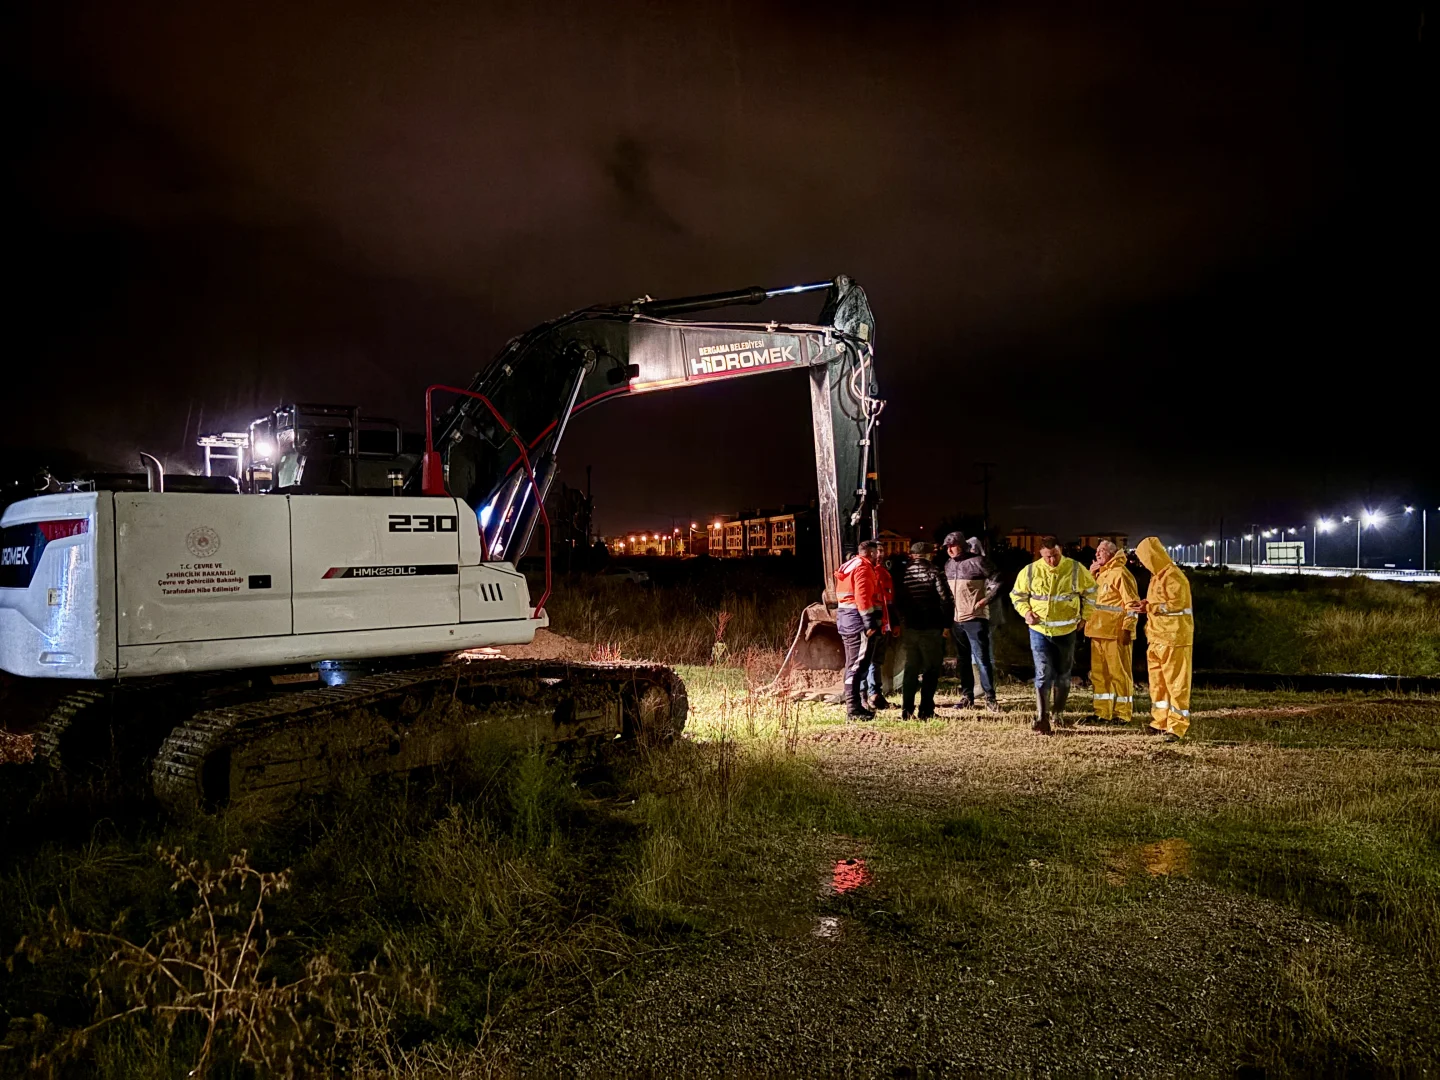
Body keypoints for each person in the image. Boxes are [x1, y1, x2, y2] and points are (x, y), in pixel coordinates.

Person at [1010, 536, 1098, 735]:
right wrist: (1026, 612)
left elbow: (1092, 593)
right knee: (1042, 674)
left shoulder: (1075, 569)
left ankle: (1057, 714)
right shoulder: (1030, 571)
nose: (1052, 560)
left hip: (1067, 632)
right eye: (1047, 557)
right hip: (1040, 631)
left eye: (1055, 555)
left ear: (1061, 551)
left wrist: (1085, 617)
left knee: (1063, 675)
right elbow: (1017, 595)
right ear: (1041, 554)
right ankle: (1042, 718)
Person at [1130, 536, 1194, 741]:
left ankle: (1177, 726)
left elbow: (1175, 605)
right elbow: (1161, 604)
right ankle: (1160, 722)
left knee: (1176, 684)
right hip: (1157, 637)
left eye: (1144, 559)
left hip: (1174, 639)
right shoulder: (1158, 576)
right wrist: (1147, 605)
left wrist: (1149, 607)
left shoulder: (1173, 576)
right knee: (1158, 684)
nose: (1143, 564)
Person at [893, 541, 953, 720]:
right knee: (931, 669)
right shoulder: (934, 571)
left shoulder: (903, 573)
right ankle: (926, 710)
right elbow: (946, 599)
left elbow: (897, 601)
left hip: (911, 627)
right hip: (932, 626)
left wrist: (902, 621)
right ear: (929, 555)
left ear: (912, 555)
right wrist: (947, 624)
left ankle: (906, 711)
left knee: (911, 669)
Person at [944, 533, 1004, 712]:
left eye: (953, 546)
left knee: (982, 659)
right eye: (947, 547)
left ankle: (990, 698)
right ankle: (967, 696)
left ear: (962, 545)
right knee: (963, 660)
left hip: (975, 618)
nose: (949, 550)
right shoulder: (948, 565)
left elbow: (999, 580)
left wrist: (986, 600)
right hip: (957, 619)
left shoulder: (978, 561)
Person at [1085, 540, 1140, 725]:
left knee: (1119, 674)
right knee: (1100, 675)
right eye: (1097, 550)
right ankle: (1102, 712)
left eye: (1101, 550)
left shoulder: (1121, 574)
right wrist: (1091, 574)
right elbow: (1088, 598)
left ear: (1111, 553)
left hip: (1115, 633)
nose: (1097, 553)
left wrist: (1128, 628)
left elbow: (1132, 605)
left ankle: (1122, 714)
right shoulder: (1101, 574)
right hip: (1097, 632)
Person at [835, 539, 884, 720]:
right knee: (856, 666)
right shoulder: (863, 568)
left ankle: (855, 706)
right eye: (877, 552)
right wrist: (869, 622)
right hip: (857, 622)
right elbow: (862, 597)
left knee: (853, 664)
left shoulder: (850, 565)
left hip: (846, 619)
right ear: (871, 553)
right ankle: (853, 709)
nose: (879, 555)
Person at [864, 556, 897, 710]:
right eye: (876, 551)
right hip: (874, 623)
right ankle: (869, 694)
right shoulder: (867, 572)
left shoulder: (884, 574)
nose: (879, 555)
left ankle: (875, 694)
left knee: (876, 660)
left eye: (882, 550)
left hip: (883, 623)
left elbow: (888, 601)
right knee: (869, 660)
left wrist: (893, 622)